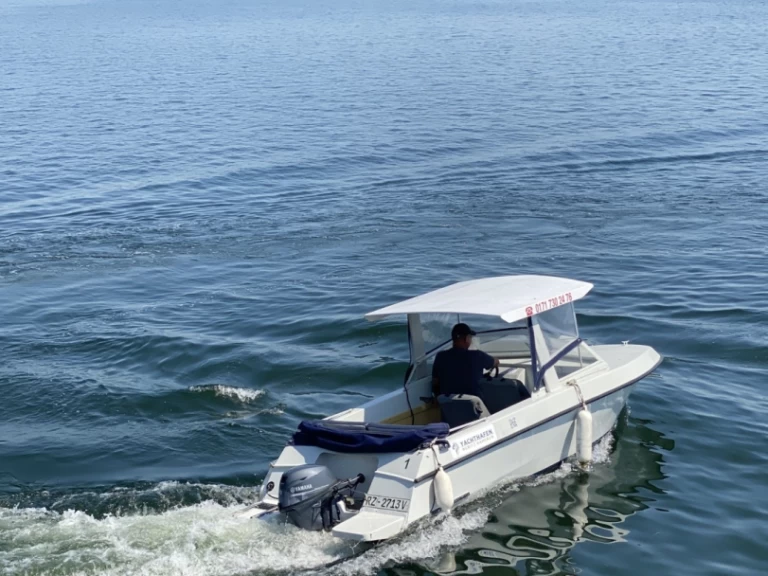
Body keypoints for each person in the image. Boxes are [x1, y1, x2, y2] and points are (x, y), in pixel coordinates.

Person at [432, 322, 500, 400]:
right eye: (470, 337)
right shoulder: (477, 355)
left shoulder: (440, 357)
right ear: (467, 338)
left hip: (448, 405)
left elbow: (435, 382)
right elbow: (495, 362)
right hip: (473, 405)